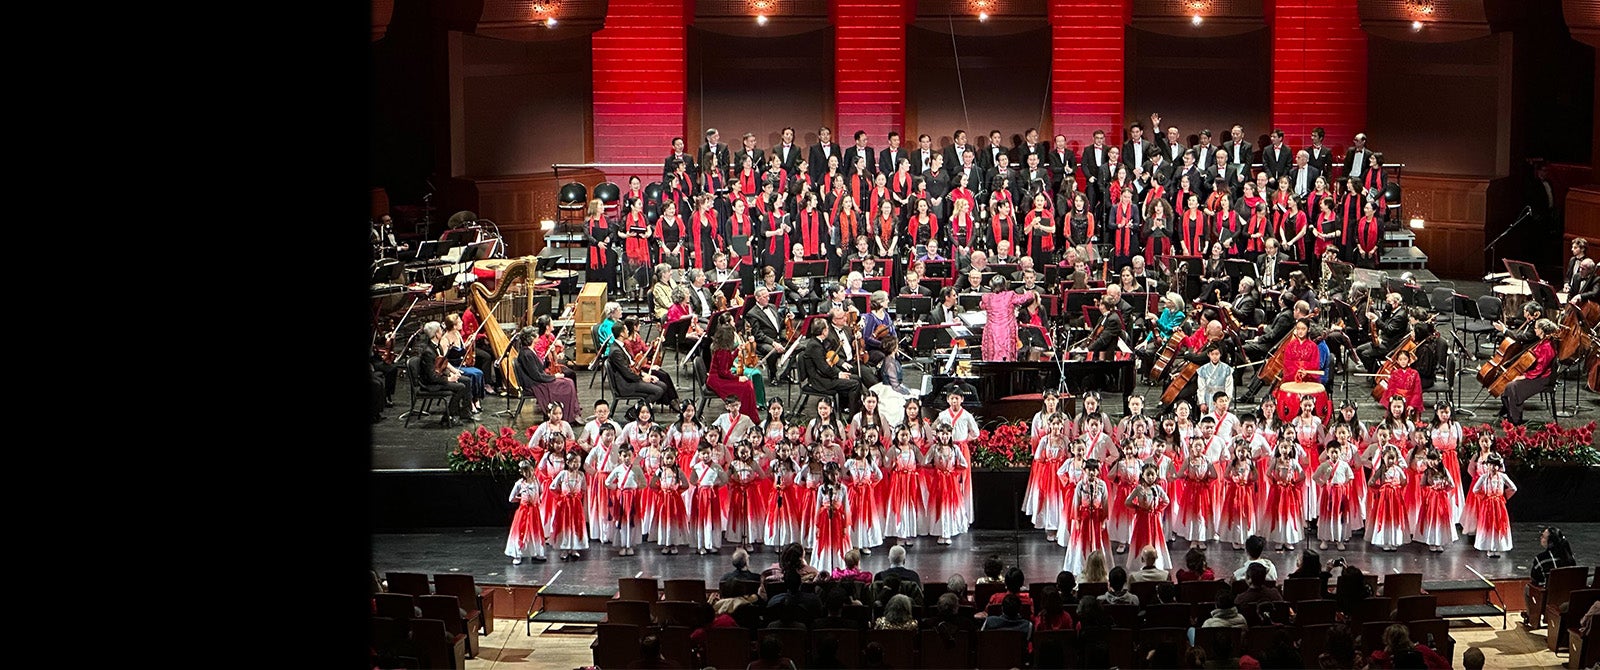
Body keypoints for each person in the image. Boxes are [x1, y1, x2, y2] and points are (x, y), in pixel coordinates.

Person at [1499, 319, 1559, 426]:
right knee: (1507, 386)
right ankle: (1511, 414)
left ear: (1541, 330)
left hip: (1543, 379)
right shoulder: (1541, 341)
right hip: (1536, 374)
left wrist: (1524, 376)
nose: (1534, 330)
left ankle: (1515, 420)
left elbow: (1540, 369)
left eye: (1536, 328)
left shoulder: (1547, 347)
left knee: (1513, 386)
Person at [415, 321, 474, 426]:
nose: (442, 332)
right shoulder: (428, 352)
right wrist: (448, 379)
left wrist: (450, 374)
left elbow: (442, 366)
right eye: (440, 330)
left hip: (439, 378)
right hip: (431, 384)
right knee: (460, 387)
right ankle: (449, 416)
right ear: (436, 334)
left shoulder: (437, 347)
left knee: (467, 380)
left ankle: (465, 411)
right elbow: (432, 377)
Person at [1523, 526, 1578, 627]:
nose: (1541, 538)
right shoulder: (1570, 558)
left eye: (1543, 536)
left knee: (1528, 587)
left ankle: (1531, 616)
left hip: (1547, 600)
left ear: (1550, 542)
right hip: (1568, 599)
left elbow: (1534, 580)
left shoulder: (1540, 559)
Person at [980, 273, 1037, 361]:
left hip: (992, 330)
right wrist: (1029, 293)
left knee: (992, 354)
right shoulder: (1010, 295)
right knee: (1006, 355)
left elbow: (982, 306)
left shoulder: (986, 297)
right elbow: (1024, 298)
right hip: (1006, 331)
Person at [548, 452, 589, 561]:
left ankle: (574, 547)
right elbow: (552, 486)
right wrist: (560, 496)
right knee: (565, 525)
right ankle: (564, 548)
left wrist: (578, 496)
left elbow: (584, 488)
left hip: (576, 505)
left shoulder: (581, 475)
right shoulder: (563, 474)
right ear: (568, 462)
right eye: (574, 462)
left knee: (575, 524)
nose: (576, 464)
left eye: (578, 462)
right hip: (565, 505)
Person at [505, 460, 547, 564]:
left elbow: (540, 492)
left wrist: (536, 500)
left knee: (534, 531)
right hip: (523, 511)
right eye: (525, 471)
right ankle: (518, 554)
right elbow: (511, 498)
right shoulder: (520, 483)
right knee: (521, 531)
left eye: (530, 470)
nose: (528, 473)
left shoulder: (536, 481)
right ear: (522, 472)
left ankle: (536, 552)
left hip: (534, 512)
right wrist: (521, 500)